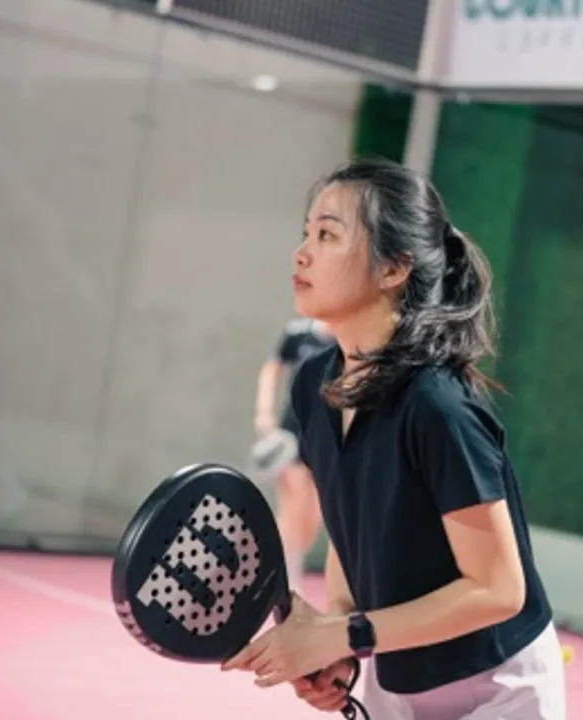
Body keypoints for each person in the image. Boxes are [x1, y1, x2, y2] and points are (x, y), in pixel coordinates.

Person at [224, 157, 565, 719]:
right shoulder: (314, 384)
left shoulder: (438, 408)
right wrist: (340, 637)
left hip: (499, 687)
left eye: (327, 235)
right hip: (394, 671)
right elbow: (350, 529)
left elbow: (500, 589)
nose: (301, 253)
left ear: (393, 268)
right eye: (306, 233)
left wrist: (346, 634)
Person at [253, 317, 334, 592]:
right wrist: (264, 411)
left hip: (328, 439)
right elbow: (272, 367)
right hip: (293, 432)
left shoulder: (345, 340)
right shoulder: (298, 334)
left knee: (313, 519)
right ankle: (286, 581)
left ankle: (283, 567)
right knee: (292, 508)